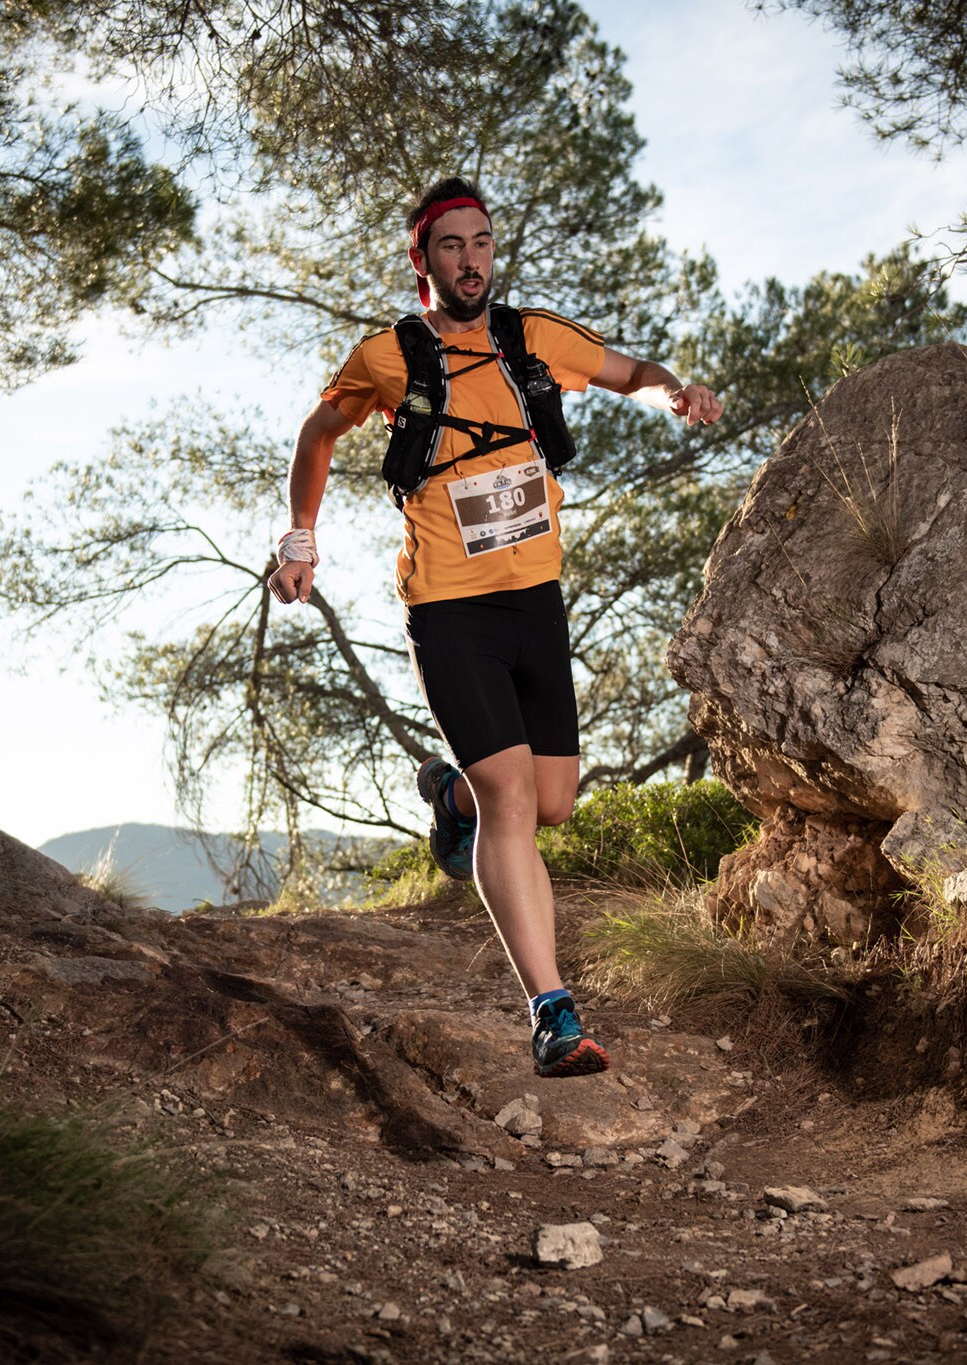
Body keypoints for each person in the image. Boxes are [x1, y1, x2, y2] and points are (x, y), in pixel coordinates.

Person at [266, 177, 722, 1078]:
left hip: (535, 599)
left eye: (481, 243)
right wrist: (299, 541)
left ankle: (453, 800)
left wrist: (675, 389)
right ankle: (552, 1013)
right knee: (516, 800)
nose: (470, 260)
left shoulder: (534, 337)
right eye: (451, 246)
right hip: (447, 605)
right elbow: (319, 434)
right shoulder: (389, 356)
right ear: (422, 259)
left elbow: (630, 373)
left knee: (550, 802)